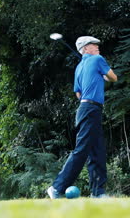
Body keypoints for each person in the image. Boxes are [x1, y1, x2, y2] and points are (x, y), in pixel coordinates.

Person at [47, 36, 117, 199]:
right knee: (82, 150)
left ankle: (98, 192)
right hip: (91, 109)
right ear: (85, 49)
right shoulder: (97, 59)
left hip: (86, 108)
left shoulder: (79, 67)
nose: (97, 47)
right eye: (93, 45)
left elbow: (78, 93)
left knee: (97, 151)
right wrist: (105, 77)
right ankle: (57, 187)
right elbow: (114, 77)